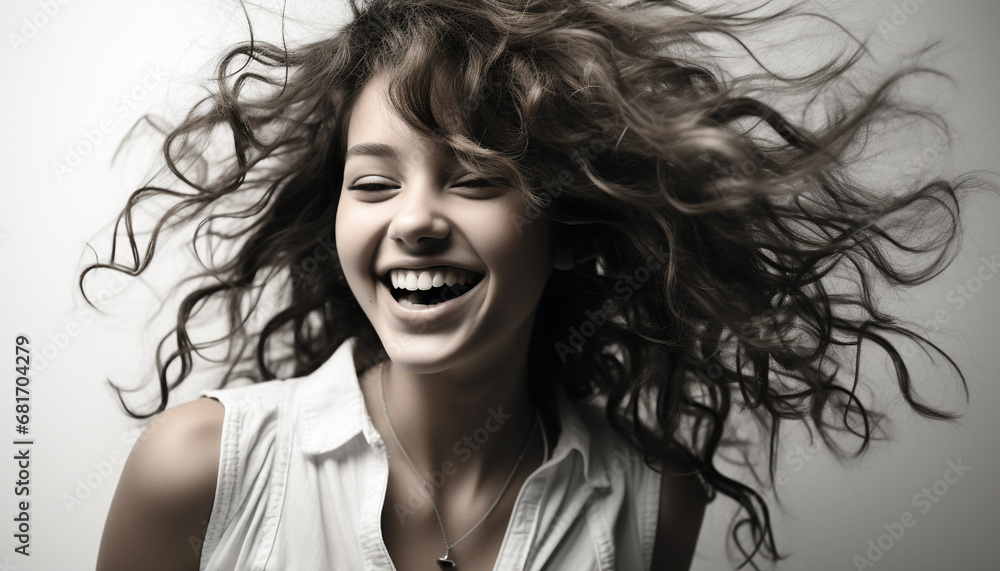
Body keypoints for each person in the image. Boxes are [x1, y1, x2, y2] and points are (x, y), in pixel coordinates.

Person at [89, 0, 980, 569]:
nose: (416, 220)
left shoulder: (652, 506)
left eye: (475, 176)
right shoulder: (204, 471)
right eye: (373, 183)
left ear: (567, 231)